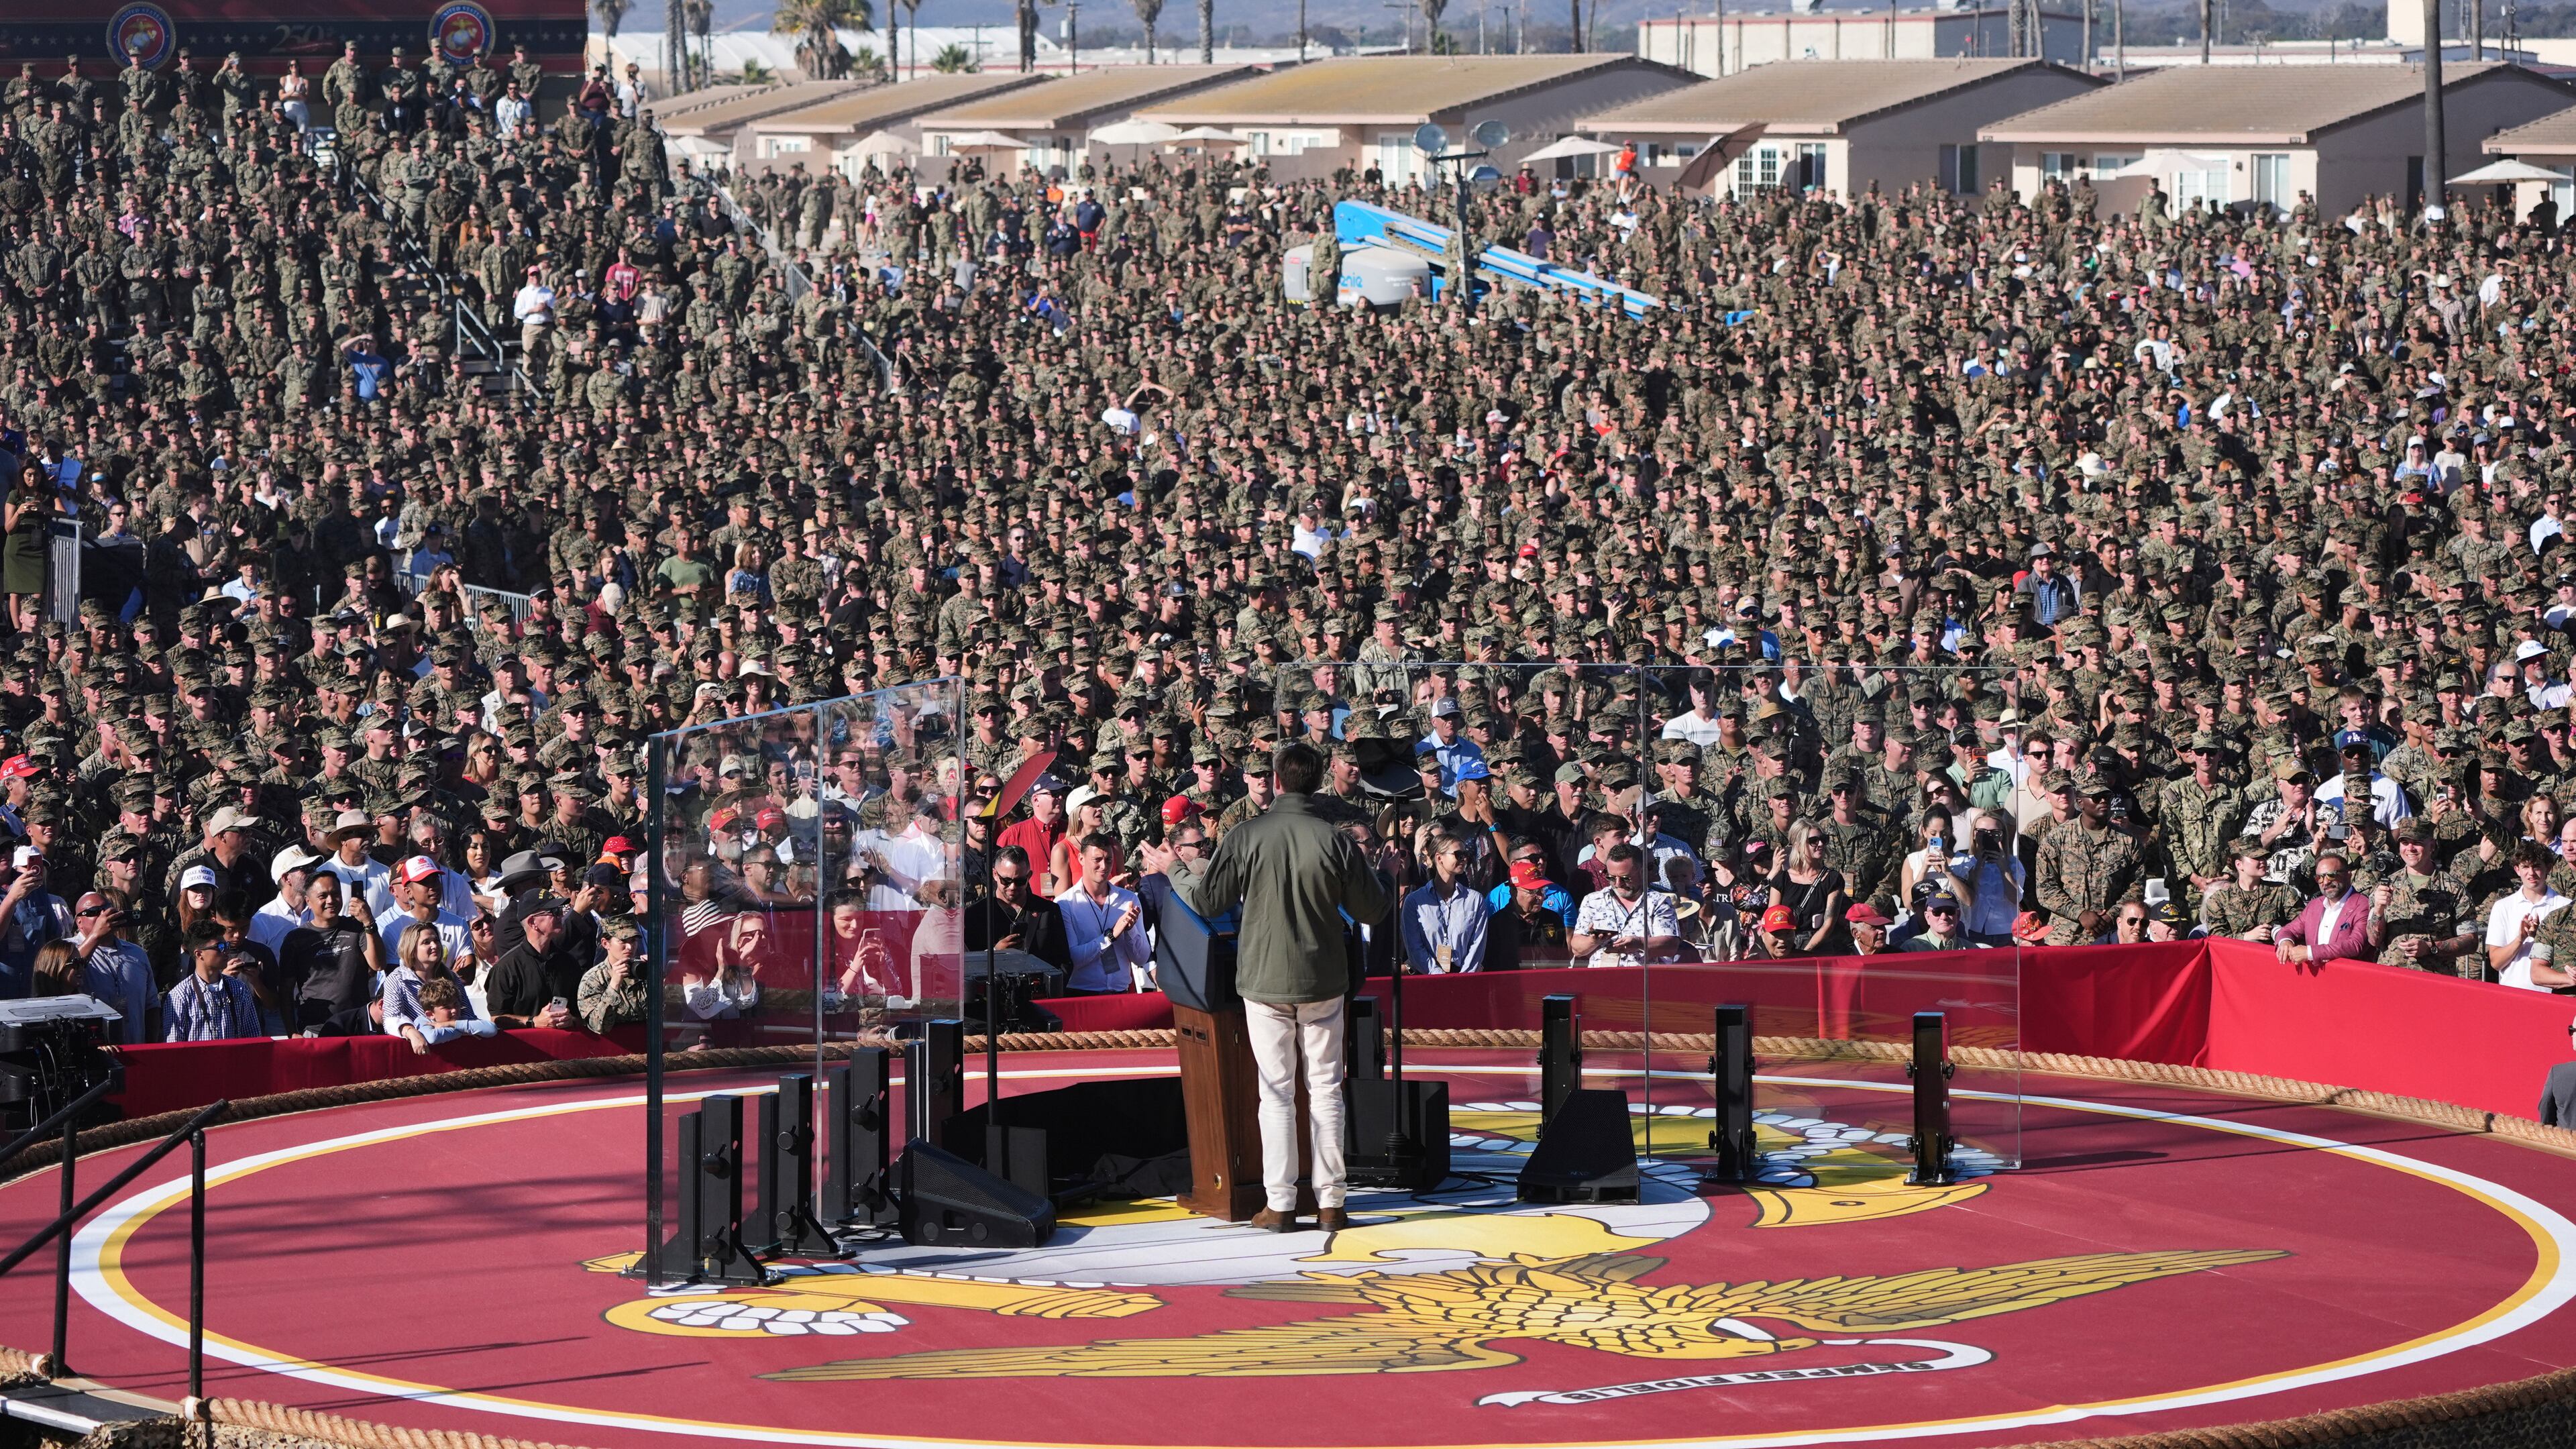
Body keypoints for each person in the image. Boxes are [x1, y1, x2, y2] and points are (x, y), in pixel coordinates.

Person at [1190, 742, 1393, 1235]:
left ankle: (1279, 1205)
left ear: (1277, 781)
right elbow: (1374, 911)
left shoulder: (1245, 834)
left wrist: (1176, 869)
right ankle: (1332, 1203)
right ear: (1318, 781)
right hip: (1322, 979)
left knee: (1276, 1094)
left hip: (1263, 981)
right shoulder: (1335, 839)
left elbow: (1207, 901)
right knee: (1325, 1090)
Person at [278, 871, 382, 1030]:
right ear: (309, 902)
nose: (331, 900)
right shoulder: (296, 939)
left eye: (336, 894)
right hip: (315, 1029)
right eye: (323, 896)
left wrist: (368, 921)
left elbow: (378, 965)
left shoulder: (357, 927)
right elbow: (286, 991)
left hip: (357, 1025)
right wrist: (292, 1032)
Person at [1055, 833, 1148, 994]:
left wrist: (1130, 930)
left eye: (1109, 860)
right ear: (1081, 859)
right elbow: (1073, 958)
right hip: (1082, 993)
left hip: (1120, 993)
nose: (1104, 866)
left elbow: (1141, 958)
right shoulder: (1065, 904)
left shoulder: (1128, 899)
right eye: (1097, 860)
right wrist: (1111, 937)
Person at [1570, 842, 1682, 966]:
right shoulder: (1593, 901)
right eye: (1611, 877)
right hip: (1603, 980)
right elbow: (1576, 949)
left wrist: (1639, 943)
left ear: (1642, 872)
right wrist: (1593, 940)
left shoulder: (1658, 902)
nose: (1618, 884)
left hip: (1644, 980)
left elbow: (1671, 945)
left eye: (1625, 878)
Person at [1401, 828, 1491, 973]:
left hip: (1465, 977)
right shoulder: (1415, 902)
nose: (1464, 859)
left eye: (1465, 855)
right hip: (1427, 978)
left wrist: (1463, 978)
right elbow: (1414, 947)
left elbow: (1478, 944)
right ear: (1439, 858)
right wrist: (1438, 975)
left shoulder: (1475, 900)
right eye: (1458, 855)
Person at [2487, 843, 2575, 990]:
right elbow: (2496, 962)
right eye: (2525, 867)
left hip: (2555, 995)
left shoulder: (2566, 907)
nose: (2531, 873)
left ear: (2548, 868)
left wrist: (2542, 936)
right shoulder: (2503, 907)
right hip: (2514, 994)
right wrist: (2520, 939)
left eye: (2536, 867)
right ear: (2517, 870)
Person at [482, 896, 578, 1030]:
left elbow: (579, 1014)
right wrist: (534, 1022)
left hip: (563, 1046)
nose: (560, 916)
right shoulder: (506, 968)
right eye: (554, 911)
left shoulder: (569, 963)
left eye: (560, 910)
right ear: (533, 922)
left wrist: (570, 1020)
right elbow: (496, 1018)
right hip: (525, 1048)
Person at [166, 924, 263, 1042]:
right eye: (220, 947)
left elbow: (253, 1038)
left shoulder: (239, 989)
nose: (226, 951)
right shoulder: (180, 996)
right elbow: (175, 1048)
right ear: (199, 954)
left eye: (226, 945)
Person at [2275, 852, 2373, 967]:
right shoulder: (2315, 905)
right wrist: (2286, 941)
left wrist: (2310, 952)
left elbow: (2354, 945)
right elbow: (2289, 930)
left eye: (2331, 875)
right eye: (2319, 878)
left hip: (2350, 979)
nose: (2326, 882)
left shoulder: (2363, 904)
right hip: (2316, 979)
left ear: (2348, 875)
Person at [576, 915, 651, 1032]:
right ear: (606, 944)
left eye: (633, 941)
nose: (630, 947)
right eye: (623, 941)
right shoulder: (593, 979)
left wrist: (659, 978)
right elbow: (598, 1027)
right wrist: (614, 985)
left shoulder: (643, 971)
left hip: (647, 1046)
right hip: (611, 1049)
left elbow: (671, 1013)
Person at [2542, 1016, 2576, 1128]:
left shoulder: (2557, 1073)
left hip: (2562, 1143)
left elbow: (2545, 1112)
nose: (2571, 1035)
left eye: (2572, 1031)